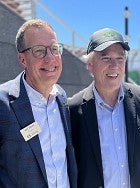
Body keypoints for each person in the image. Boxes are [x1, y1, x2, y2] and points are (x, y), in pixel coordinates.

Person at [68, 28, 140, 188]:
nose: (114, 66)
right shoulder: (74, 109)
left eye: (120, 59)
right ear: (90, 65)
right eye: (106, 58)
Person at [0, 19, 77, 188]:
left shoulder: (62, 98)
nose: (50, 58)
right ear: (22, 59)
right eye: (39, 51)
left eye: (54, 49)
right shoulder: (3, 103)